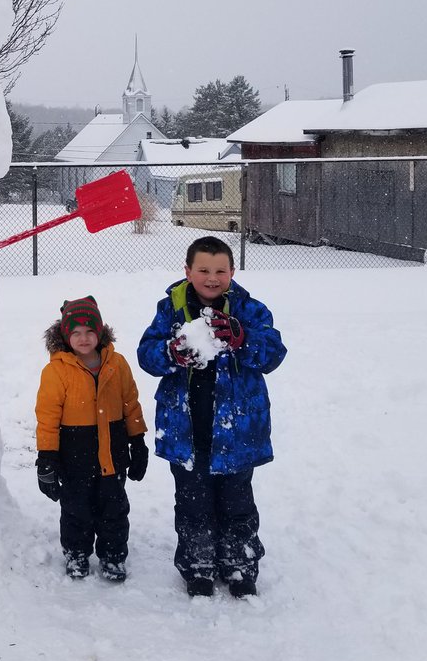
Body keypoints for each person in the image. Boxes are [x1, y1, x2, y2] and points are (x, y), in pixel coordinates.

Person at [137, 236, 286, 598]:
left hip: (237, 431)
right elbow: (146, 354)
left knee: (237, 502)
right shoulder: (171, 310)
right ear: (188, 271)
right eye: (203, 270)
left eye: (220, 270)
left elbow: (273, 353)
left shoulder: (249, 310)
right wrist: (170, 353)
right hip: (186, 431)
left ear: (232, 272)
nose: (212, 278)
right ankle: (198, 565)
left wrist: (242, 339)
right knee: (194, 502)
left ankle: (239, 564)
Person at [35, 296, 149, 582]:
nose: (83, 338)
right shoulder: (56, 371)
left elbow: (131, 403)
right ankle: (76, 553)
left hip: (113, 455)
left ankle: (113, 556)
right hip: (75, 458)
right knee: (76, 510)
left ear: (100, 331)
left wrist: (138, 441)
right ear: (65, 335)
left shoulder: (117, 364)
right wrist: (47, 458)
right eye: (75, 332)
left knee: (114, 509)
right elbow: (47, 418)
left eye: (89, 331)